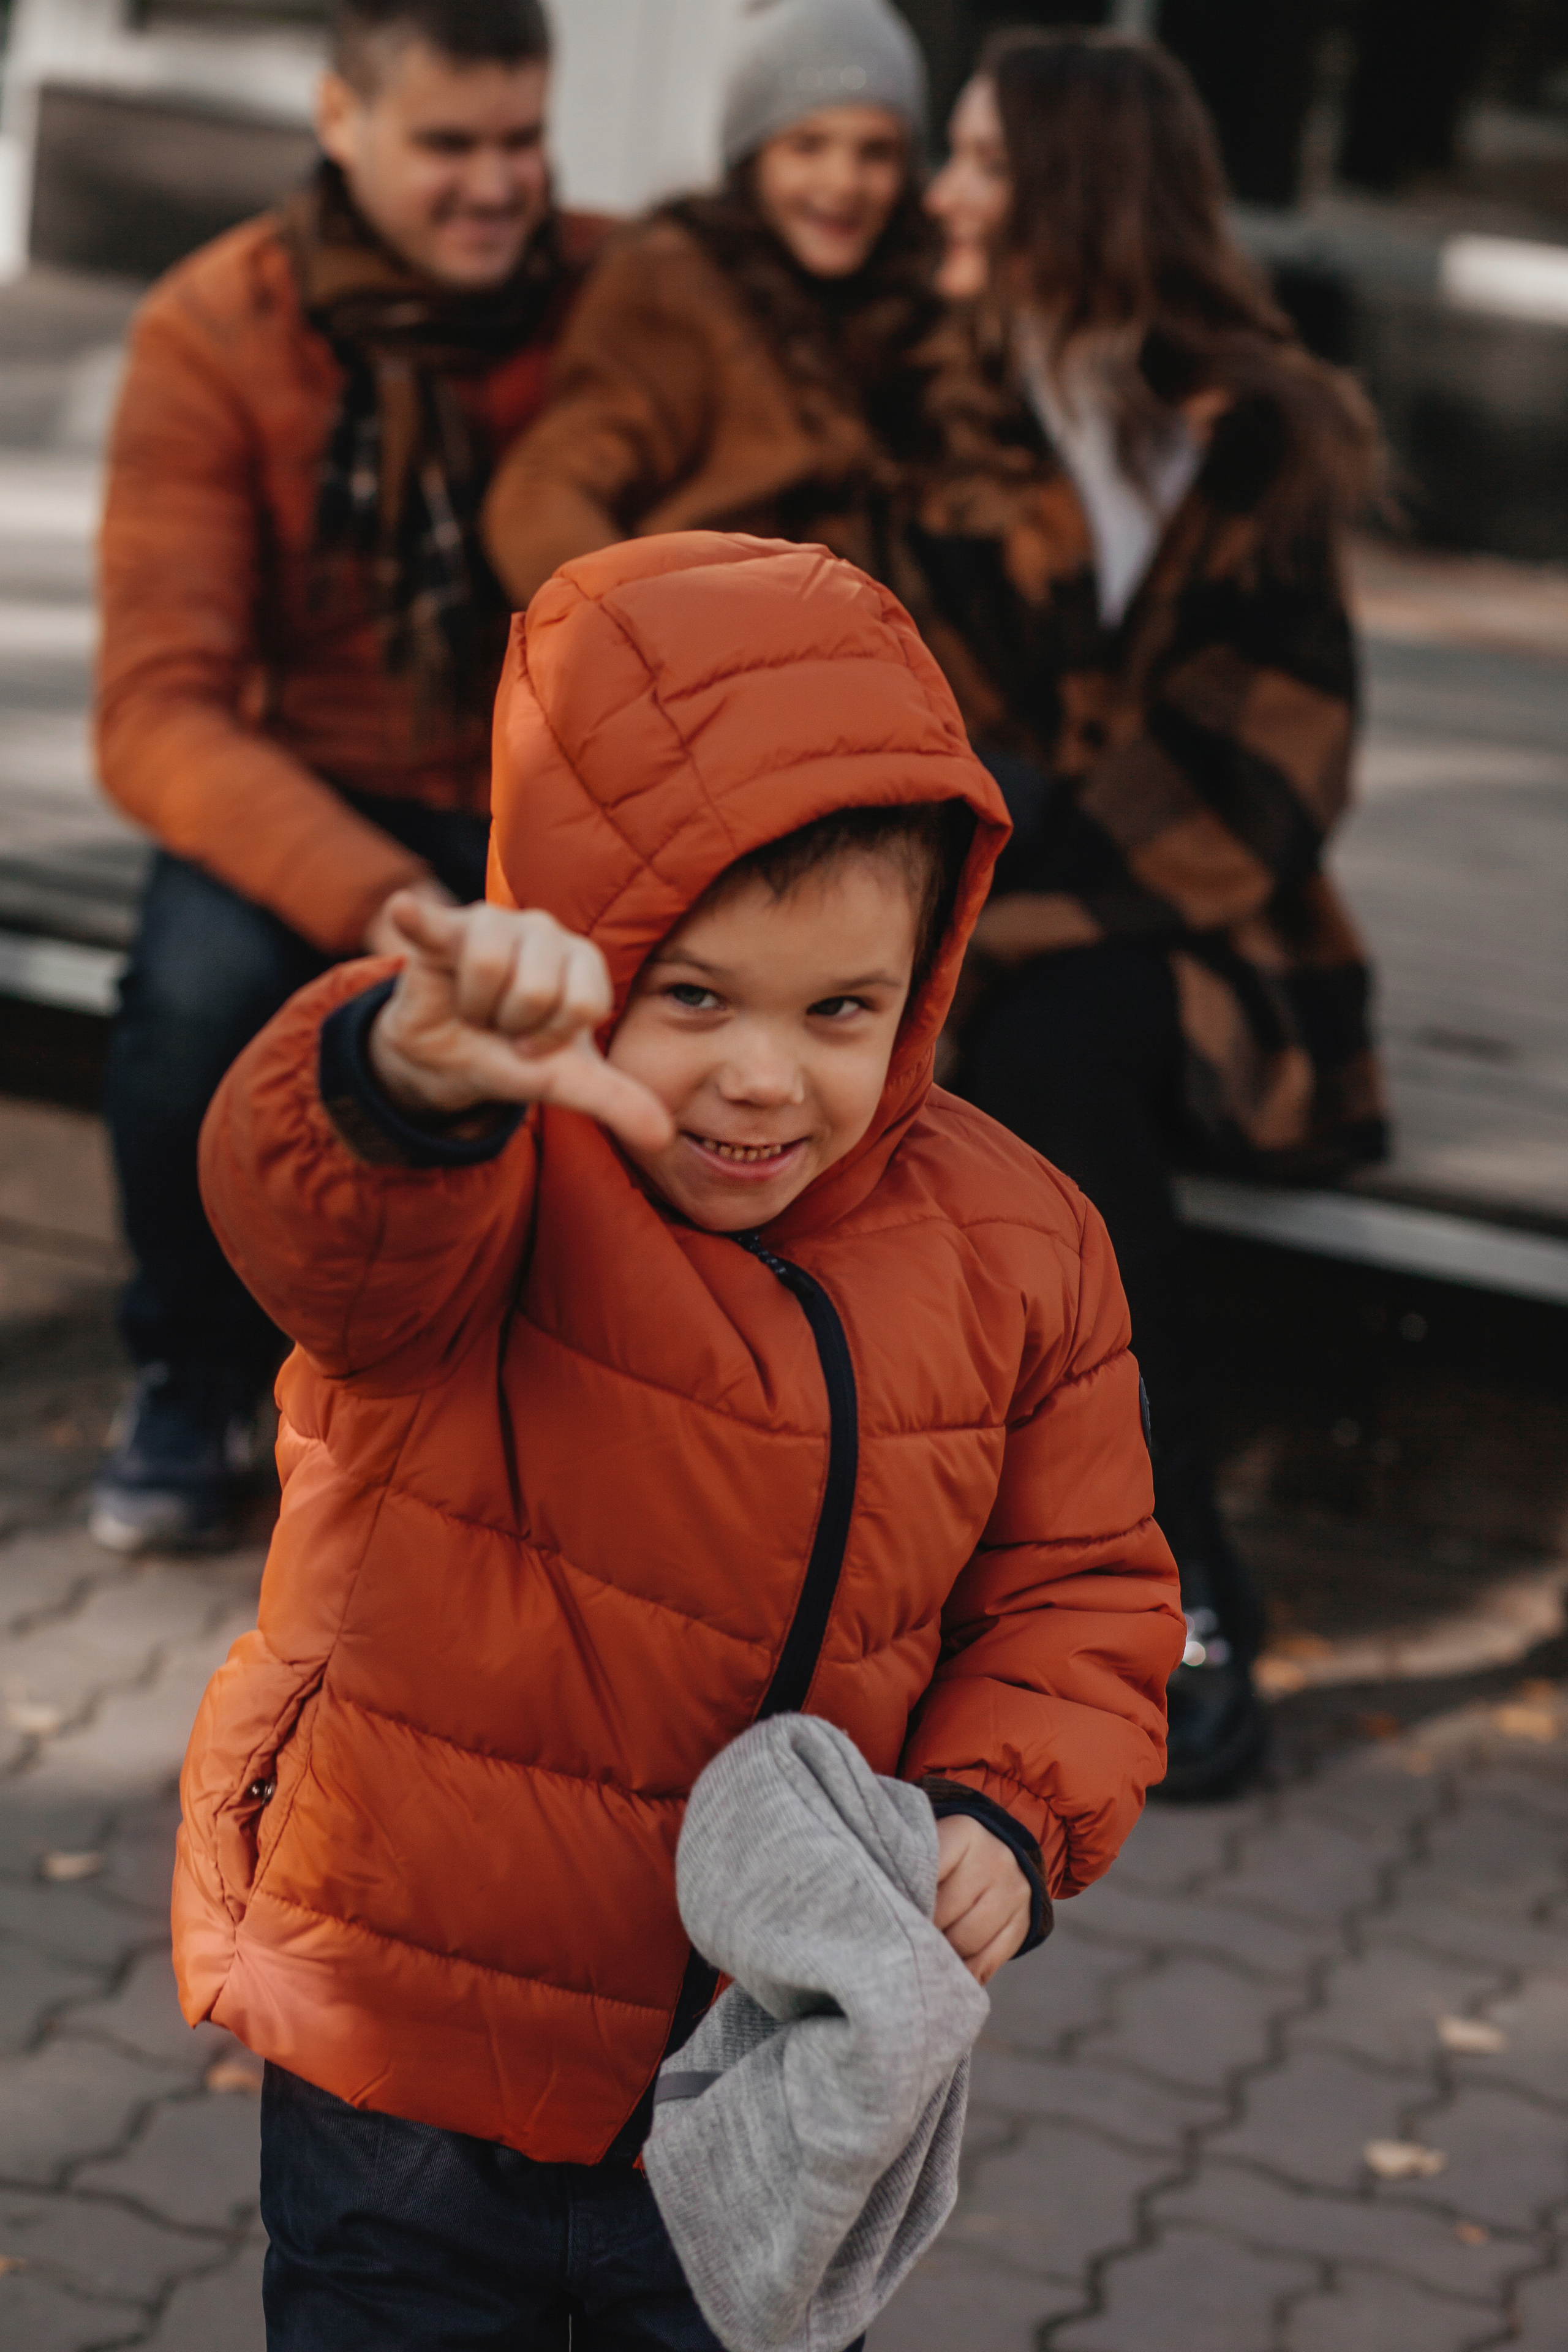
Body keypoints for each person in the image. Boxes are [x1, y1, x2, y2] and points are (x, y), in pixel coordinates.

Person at [175, 530, 1184, 2346]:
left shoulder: (1021, 1246)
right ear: (578, 959)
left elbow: (1080, 1590)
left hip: (768, 2076)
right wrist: (406, 1076)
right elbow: (319, 1226)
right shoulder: (486, 1179)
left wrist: (1003, 1809)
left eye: (839, 1009)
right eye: (694, 994)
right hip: (412, 2049)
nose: (761, 1076)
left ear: (924, 981)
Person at [905, 30, 1386, 1798]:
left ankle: (1166, 1579)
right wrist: (1001, 827)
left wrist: (1034, 842)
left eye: (979, 161)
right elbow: (905, 688)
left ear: (1076, 189)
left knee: (1053, 1050)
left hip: (1205, 933)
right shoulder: (934, 408)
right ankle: (1121, 1586)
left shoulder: (1256, 435)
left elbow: (1276, 758)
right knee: (1016, 1064)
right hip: (984, 909)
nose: (941, 194)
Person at [91, 0, 608, 1553]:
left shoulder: (617, 294)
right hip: (319, 792)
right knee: (194, 995)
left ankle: (559, 1431)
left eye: (521, 140)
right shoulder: (216, 327)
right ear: (339, 121)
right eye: (447, 144)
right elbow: (156, 715)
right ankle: (192, 1374)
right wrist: (383, 903)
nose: (495, 184)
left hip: (553, 789)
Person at [481, 0, 937, 608]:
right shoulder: (678, 283)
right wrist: (637, 637)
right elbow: (541, 493)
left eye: (875, 153)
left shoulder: (915, 310)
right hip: (720, 643)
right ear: (753, 157)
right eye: (807, 146)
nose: (843, 182)